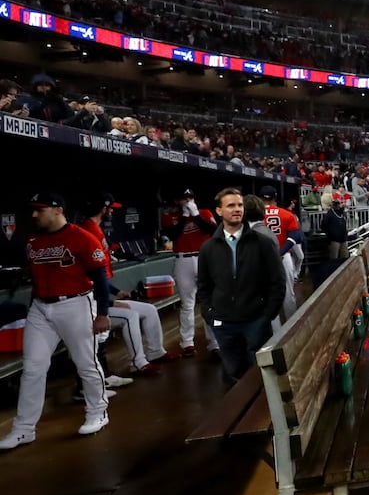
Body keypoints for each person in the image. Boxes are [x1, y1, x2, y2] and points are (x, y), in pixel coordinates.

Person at [0, 192, 112, 449]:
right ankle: (24, 429)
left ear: (57, 209)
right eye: (33, 209)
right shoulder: (32, 239)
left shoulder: (82, 238)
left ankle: (98, 412)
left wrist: (102, 313)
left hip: (75, 304)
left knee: (86, 363)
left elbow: (101, 279)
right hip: (40, 307)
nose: (34, 215)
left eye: (40, 209)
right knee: (33, 369)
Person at [196, 188, 285, 386]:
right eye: (231, 205)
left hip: (256, 319)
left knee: (263, 377)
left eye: (239, 205)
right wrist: (210, 315)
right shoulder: (208, 248)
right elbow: (203, 286)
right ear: (219, 211)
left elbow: (277, 281)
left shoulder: (262, 243)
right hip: (224, 323)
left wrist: (267, 314)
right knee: (233, 375)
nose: (237, 209)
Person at [75, 194, 172, 376]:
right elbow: (87, 278)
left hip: (99, 299)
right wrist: (110, 303)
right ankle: (138, 362)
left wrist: (116, 292)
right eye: (110, 208)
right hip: (90, 304)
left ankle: (156, 352)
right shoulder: (87, 232)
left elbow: (99, 278)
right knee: (130, 316)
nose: (112, 211)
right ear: (103, 208)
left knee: (149, 310)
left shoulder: (95, 229)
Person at [162, 189, 218, 357]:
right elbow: (173, 235)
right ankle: (187, 342)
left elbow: (212, 230)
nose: (187, 201)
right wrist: (185, 217)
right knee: (187, 304)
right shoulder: (170, 216)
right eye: (183, 199)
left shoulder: (204, 212)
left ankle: (215, 342)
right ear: (177, 201)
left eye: (190, 198)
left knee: (210, 302)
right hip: (183, 260)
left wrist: (196, 216)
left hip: (204, 258)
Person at [258, 186, 303, 318]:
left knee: (268, 295)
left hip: (263, 259)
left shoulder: (255, 216)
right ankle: (292, 326)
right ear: (275, 198)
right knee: (288, 293)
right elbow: (295, 236)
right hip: (284, 256)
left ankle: (275, 331)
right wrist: (281, 252)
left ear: (260, 199)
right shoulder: (286, 214)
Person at [320, 196, 350, 261]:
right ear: (333, 205)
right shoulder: (329, 215)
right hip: (334, 240)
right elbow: (323, 225)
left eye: (339, 204)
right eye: (336, 204)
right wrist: (329, 235)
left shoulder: (342, 214)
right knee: (334, 258)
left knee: (345, 257)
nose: (338, 206)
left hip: (343, 239)